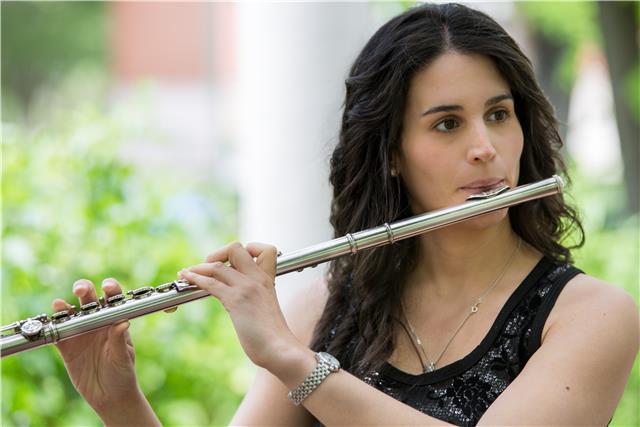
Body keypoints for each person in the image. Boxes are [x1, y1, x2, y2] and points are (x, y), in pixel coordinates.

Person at [52, 3, 639, 426]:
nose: (484, 146)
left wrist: (292, 361)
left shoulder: (591, 315)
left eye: (498, 114)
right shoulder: (331, 308)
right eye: (446, 123)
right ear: (390, 155)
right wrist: (120, 404)